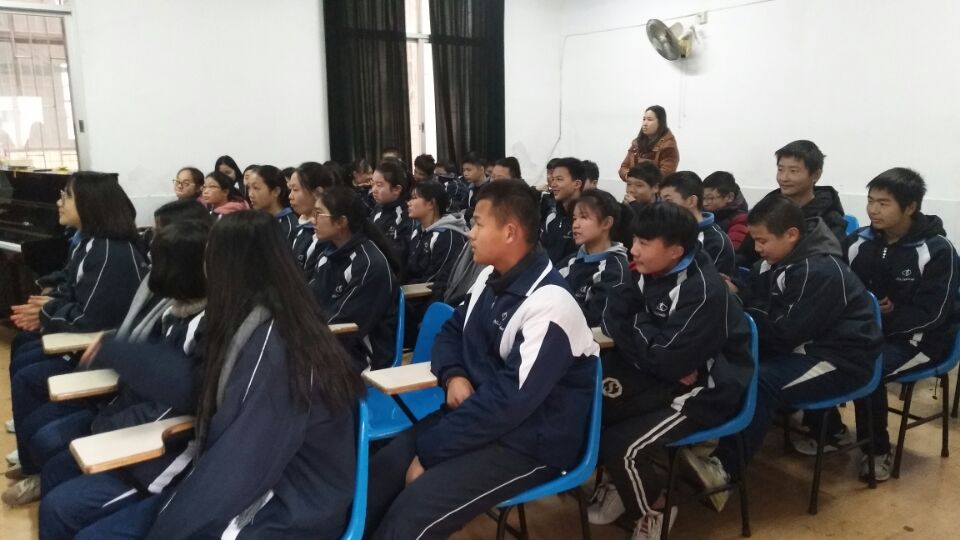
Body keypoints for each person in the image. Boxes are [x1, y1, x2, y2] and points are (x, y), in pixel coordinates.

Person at [63, 211, 365, 539]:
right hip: (262, 484)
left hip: (285, 508)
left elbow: (239, 465)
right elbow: (198, 384)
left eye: (210, 257)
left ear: (228, 266)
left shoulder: (274, 344)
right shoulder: (258, 318)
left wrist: (167, 530)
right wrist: (120, 351)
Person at [364, 180, 599, 539]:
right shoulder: (491, 276)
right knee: (379, 477)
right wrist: (454, 375)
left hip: (529, 442)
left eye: (477, 223)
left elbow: (508, 404)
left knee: (411, 514)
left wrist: (430, 453)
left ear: (510, 232)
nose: (470, 233)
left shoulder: (551, 306)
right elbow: (450, 333)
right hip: (477, 417)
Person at [682, 195, 882, 512]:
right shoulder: (775, 262)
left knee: (760, 381)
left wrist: (738, 305)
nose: (757, 248)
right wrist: (737, 293)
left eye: (763, 241)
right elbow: (761, 302)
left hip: (840, 359)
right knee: (722, 362)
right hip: (801, 348)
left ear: (791, 235)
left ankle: (723, 472)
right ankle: (704, 435)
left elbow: (782, 332)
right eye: (755, 240)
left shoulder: (820, 270)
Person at [33, 219, 210, 532]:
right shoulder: (174, 312)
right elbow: (142, 377)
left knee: (59, 507)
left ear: (182, 269)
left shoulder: (207, 327)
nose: (148, 270)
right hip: (128, 422)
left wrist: (104, 427)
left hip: (159, 456)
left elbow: (174, 406)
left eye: (156, 262)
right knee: (55, 463)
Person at [589, 202, 753, 539]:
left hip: (706, 389)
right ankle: (624, 487)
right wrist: (650, 342)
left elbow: (666, 357)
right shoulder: (645, 269)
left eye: (644, 243)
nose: (633, 250)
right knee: (597, 408)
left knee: (623, 446)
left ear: (676, 250)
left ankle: (656, 509)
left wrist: (638, 324)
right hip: (664, 377)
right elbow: (612, 317)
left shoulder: (704, 291)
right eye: (635, 240)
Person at [802, 168, 960, 478]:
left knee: (865, 367)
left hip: (919, 341)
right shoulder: (858, 241)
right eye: (871, 200)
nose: (873, 209)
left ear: (910, 207)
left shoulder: (938, 250)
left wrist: (884, 318)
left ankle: (876, 451)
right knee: (813, 351)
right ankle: (831, 431)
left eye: (883, 203)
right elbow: (837, 285)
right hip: (866, 331)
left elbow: (934, 313)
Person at [4, 172, 146, 504]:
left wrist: (45, 313)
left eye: (66, 196)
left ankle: (36, 469)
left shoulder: (110, 252)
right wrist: (48, 302)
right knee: (23, 347)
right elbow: (71, 288)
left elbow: (89, 321)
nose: (59, 202)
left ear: (90, 204)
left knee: (28, 372)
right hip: (84, 336)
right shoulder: (90, 242)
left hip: (97, 350)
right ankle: (31, 460)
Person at [311, 186, 400, 371]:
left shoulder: (368, 265)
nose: (313, 220)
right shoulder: (327, 255)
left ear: (341, 222)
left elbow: (342, 326)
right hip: (329, 344)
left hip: (360, 357)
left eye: (319, 213)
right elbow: (308, 300)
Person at [737, 140, 846, 267]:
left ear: (816, 175)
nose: (783, 178)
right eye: (780, 169)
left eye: (793, 171)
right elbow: (746, 254)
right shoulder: (771, 205)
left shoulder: (830, 218)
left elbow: (828, 263)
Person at [556, 189, 631, 326]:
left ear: (606, 223)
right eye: (574, 218)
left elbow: (596, 321)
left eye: (584, 217)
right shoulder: (571, 261)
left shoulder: (615, 270)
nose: (575, 225)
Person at [659, 171, 736, 276]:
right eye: (661, 201)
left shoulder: (715, 241)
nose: (661, 207)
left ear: (691, 201)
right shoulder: (666, 230)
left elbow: (707, 282)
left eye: (668, 200)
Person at [405, 181, 469, 296]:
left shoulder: (448, 237)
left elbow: (435, 281)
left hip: (427, 298)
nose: (409, 203)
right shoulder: (417, 232)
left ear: (431, 204)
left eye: (414, 198)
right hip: (410, 292)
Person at [288, 162, 334, 276]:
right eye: (290, 190)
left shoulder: (326, 235)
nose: (290, 196)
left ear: (317, 193)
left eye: (295, 189)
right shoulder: (301, 227)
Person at [370, 159, 414, 274]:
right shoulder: (378, 208)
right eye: (372, 184)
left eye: (379, 185)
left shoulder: (407, 215)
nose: (373, 190)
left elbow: (400, 256)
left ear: (396, 189)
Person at [541, 157, 585, 264]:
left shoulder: (587, 221)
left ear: (577, 184)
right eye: (553, 179)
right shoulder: (552, 217)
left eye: (559, 179)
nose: (553, 184)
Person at [618, 105, 679, 181]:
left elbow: (665, 173)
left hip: (656, 188)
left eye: (649, 120)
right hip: (634, 186)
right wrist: (628, 176)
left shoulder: (668, 145)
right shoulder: (636, 144)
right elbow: (623, 168)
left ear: (660, 122)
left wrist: (640, 179)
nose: (645, 123)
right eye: (644, 119)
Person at [246, 164, 297, 241]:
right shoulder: (252, 219)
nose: (250, 194)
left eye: (256, 188)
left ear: (276, 191)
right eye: (248, 188)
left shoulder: (288, 227)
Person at [703, 171, 749, 250]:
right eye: (703, 198)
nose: (704, 203)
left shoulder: (740, 220)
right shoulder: (708, 212)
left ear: (730, 197)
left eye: (710, 198)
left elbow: (731, 251)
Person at [461, 152, 490, 220]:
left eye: (469, 170)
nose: (465, 173)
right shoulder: (469, 189)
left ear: (481, 170)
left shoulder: (491, 189)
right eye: (464, 170)